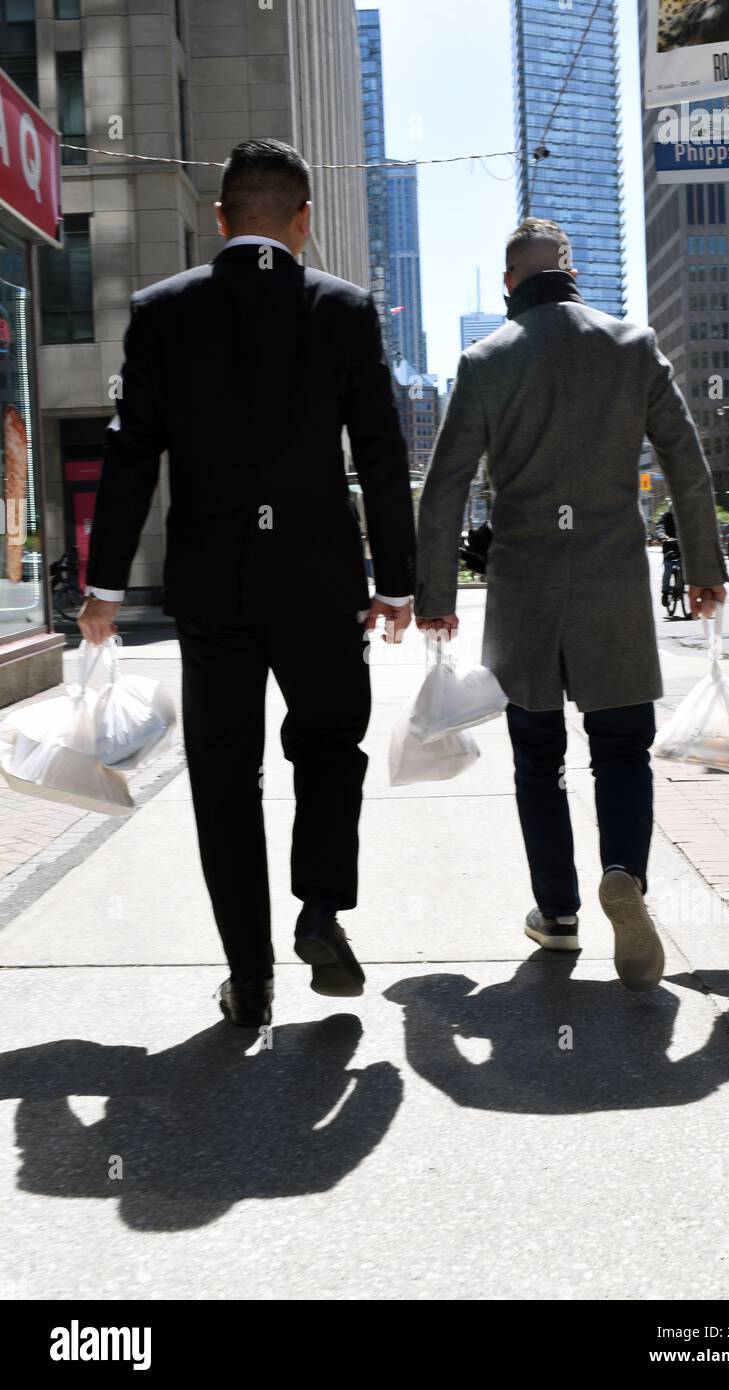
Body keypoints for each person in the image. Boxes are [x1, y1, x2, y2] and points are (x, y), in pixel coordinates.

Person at [79, 140, 416, 1026]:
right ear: (303, 219)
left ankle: (251, 975)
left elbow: (129, 455)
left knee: (225, 778)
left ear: (220, 219)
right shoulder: (343, 309)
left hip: (213, 586)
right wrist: (398, 585)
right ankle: (319, 914)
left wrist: (106, 587)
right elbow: (380, 452)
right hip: (318, 579)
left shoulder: (162, 311)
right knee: (329, 750)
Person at [415, 218, 727, 992]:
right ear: (573, 274)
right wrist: (705, 566)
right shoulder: (631, 345)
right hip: (613, 580)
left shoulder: (487, 360)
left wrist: (436, 596)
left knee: (539, 760)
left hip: (523, 589)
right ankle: (624, 873)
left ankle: (557, 916)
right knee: (621, 749)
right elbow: (686, 461)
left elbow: (444, 486)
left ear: (509, 286)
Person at [656, 501, 680, 601]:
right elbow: (660, 527)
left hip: (682, 547)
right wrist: (663, 536)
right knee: (668, 569)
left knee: (686, 567)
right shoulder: (666, 517)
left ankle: (681, 586)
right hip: (669, 547)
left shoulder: (684, 517)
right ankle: (665, 592)